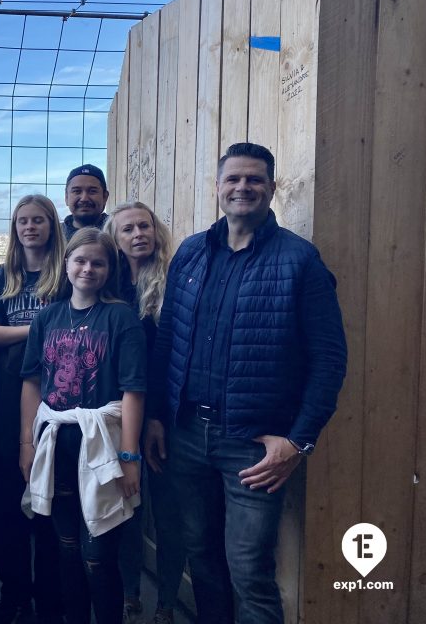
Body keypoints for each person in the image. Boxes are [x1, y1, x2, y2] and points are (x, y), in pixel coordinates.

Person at [147, 142, 348, 624]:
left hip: (253, 446)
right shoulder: (191, 254)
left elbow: (329, 359)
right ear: (217, 187)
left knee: (249, 570)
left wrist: (299, 441)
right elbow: (168, 341)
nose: (243, 187)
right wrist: (156, 415)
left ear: (272, 188)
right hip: (187, 435)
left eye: (255, 179)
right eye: (233, 179)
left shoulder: (300, 261)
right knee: (203, 557)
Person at [20, 227, 146, 624]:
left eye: (98, 262)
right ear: (66, 264)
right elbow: (32, 381)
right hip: (56, 441)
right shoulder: (47, 317)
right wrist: (27, 443)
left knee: (98, 554)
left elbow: (134, 391)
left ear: (110, 269)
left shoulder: (121, 317)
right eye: (80, 260)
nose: (88, 269)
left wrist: (129, 456)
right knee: (66, 547)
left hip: (102, 444)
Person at [0, 195, 66, 624]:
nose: (30, 227)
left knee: (51, 507)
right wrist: (39, 329)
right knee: (5, 508)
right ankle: (12, 593)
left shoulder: (67, 274)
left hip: (60, 400)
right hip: (7, 402)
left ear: (52, 225)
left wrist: (17, 333)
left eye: (38, 220)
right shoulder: (2, 276)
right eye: (22, 221)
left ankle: (50, 599)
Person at [105, 202, 183, 624]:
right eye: (128, 229)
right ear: (115, 240)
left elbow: (171, 356)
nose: (138, 234)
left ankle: (167, 602)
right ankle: (130, 592)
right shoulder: (109, 283)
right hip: (121, 413)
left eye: (144, 225)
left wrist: (156, 415)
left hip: (166, 415)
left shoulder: (175, 279)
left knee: (169, 514)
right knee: (127, 509)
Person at [62, 164, 110, 239]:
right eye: (77, 191)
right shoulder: (53, 237)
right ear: (66, 197)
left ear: (105, 197)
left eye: (92, 191)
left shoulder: (119, 232)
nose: (84, 198)